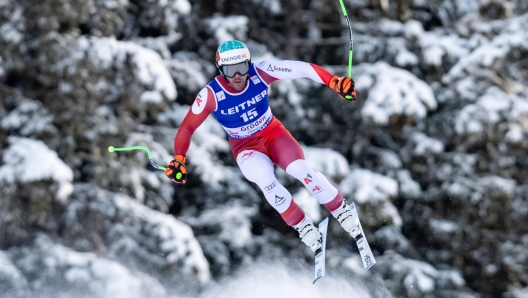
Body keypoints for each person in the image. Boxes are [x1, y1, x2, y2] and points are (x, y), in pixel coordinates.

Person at [165, 40, 360, 253]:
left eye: (242, 68)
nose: (238, 76)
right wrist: (180, 158)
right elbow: (187, 127)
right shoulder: (211, 94)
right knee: (266, 180)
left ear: (249, 64)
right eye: (230, 71)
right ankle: (303, 227)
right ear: (221, 70)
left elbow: (302, 68)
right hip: (246, 147)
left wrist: (334, 82)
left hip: (273, 134)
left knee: (299, 169)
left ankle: (341, 212)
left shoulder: (261, 72)